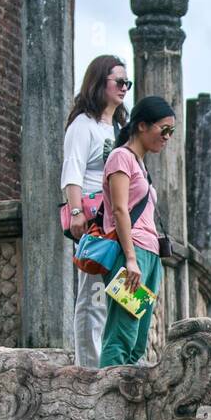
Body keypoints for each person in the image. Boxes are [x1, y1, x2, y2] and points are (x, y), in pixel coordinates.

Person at [62, 55, 130, 367]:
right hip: (94, 219)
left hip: (121, 220)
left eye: (127, 83)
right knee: (94, 293)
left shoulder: (121, 129)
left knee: (126, 288)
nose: (124, 88)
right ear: (100, 82)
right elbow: (72, 171)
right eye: (119, 81)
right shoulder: (83, 126)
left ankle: (120, 355)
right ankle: (89, 365)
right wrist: (76, 211)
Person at [97, 96, 175, 368]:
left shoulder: (141, 165)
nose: (167, 137)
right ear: (142, 126)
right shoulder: (121, 157)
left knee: (139, 338)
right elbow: (119, 210)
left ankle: (128, 402)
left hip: (150, 255)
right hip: (131, 253)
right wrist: (130, 259)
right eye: (164, 129)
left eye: (171, 132)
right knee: (122, 333)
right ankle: (105, 398)